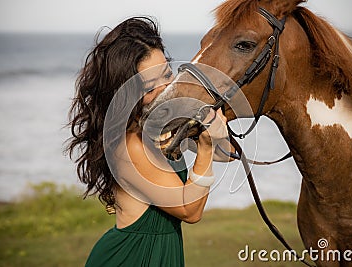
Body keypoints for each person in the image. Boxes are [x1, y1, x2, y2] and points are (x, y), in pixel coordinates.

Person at [66, 16, 229, 267]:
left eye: (166, 74)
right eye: (150, 85)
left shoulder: (152, 130)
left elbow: (223, 154)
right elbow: (190, 210)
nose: (165, 88)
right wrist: (206, 147)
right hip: (133, 257)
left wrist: (209, 129)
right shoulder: (130, 145)